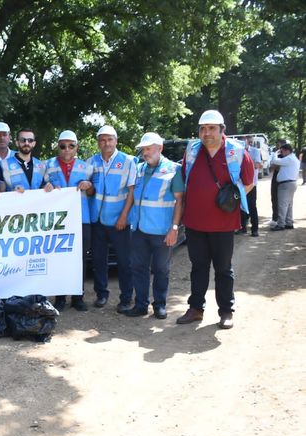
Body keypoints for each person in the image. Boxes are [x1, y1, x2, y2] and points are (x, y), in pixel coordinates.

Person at [176, 110, 254, 330]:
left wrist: (230, 201)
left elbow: (249, 182)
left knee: (223, 269)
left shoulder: (236, 152)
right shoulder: (192, 150)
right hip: (194, 222)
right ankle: (196, 309)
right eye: (203, 128)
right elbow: (184, 180)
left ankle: (226, 312)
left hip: (223, 223)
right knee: (198, 267)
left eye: (211, 128)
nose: (206, 133)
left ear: (222, 130)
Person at [126, 133, 184, 319]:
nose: (145, 152)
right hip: (140, 230)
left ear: (160, 148)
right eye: (143, 149)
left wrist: (174, 228)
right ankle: (141, 305)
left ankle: (159, 304)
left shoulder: (174, 169)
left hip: (162, 231)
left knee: (161, 269)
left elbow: (179, 201)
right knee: (139, 268)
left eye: (149, 148)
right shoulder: (139, 168)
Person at [86, 125, 136, 313]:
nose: (106, 143)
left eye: (109, 139)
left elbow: (131, 191)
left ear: (116, 141)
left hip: (119, 220)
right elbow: (89, 189)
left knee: (125, 261)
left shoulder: (128, 161)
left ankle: (125, 298)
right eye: (102, 140)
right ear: (98, 142)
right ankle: (101, 294)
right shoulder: (91, 162)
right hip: (97, 219)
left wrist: (123, 216)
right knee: (99, 260)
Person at [46, 130, 94, 312]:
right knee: (59, 258)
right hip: (57, 221)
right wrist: (46, 186)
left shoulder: (86, 167)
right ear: (58, 146)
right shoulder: (48, 165)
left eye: (71, 146)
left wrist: (88, 186)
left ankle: (78, 296)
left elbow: (92, 192)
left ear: (77, 147)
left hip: (82, 218)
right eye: (62, 146)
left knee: (80, 259)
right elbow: (41, 187)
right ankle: (60, 297)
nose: (66, 149)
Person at [0, 128, 56, 193]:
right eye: (22, 140)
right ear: (17, 143)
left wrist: (50, 187)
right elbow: (1, 192)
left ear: (34, 143)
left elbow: (45, 187)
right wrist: (13, 192)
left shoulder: (41, 166)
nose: (26, 143)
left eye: (30, 140)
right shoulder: (3, 165)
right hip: (14, 202)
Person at [269, 143, 299, 231]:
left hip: (285, 184)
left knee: (282, 205)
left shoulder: (289, 158)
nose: (281, 153)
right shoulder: (293, 158)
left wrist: (275, 153)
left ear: (287, 150)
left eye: (282, 151)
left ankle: (281, 224)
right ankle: (289, 222)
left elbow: (275, 161)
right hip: (291, 183)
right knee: (289, 204)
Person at [238, 137, 260, 236]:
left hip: (251, 184)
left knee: (252, 206)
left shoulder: (255, 151)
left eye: (244, 142)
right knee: (240, 207)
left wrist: (246, 161)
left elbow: (257, 165)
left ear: (247, 142)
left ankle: (255, 229)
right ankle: (242, 228)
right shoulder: (236, 152)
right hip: (239, 184)